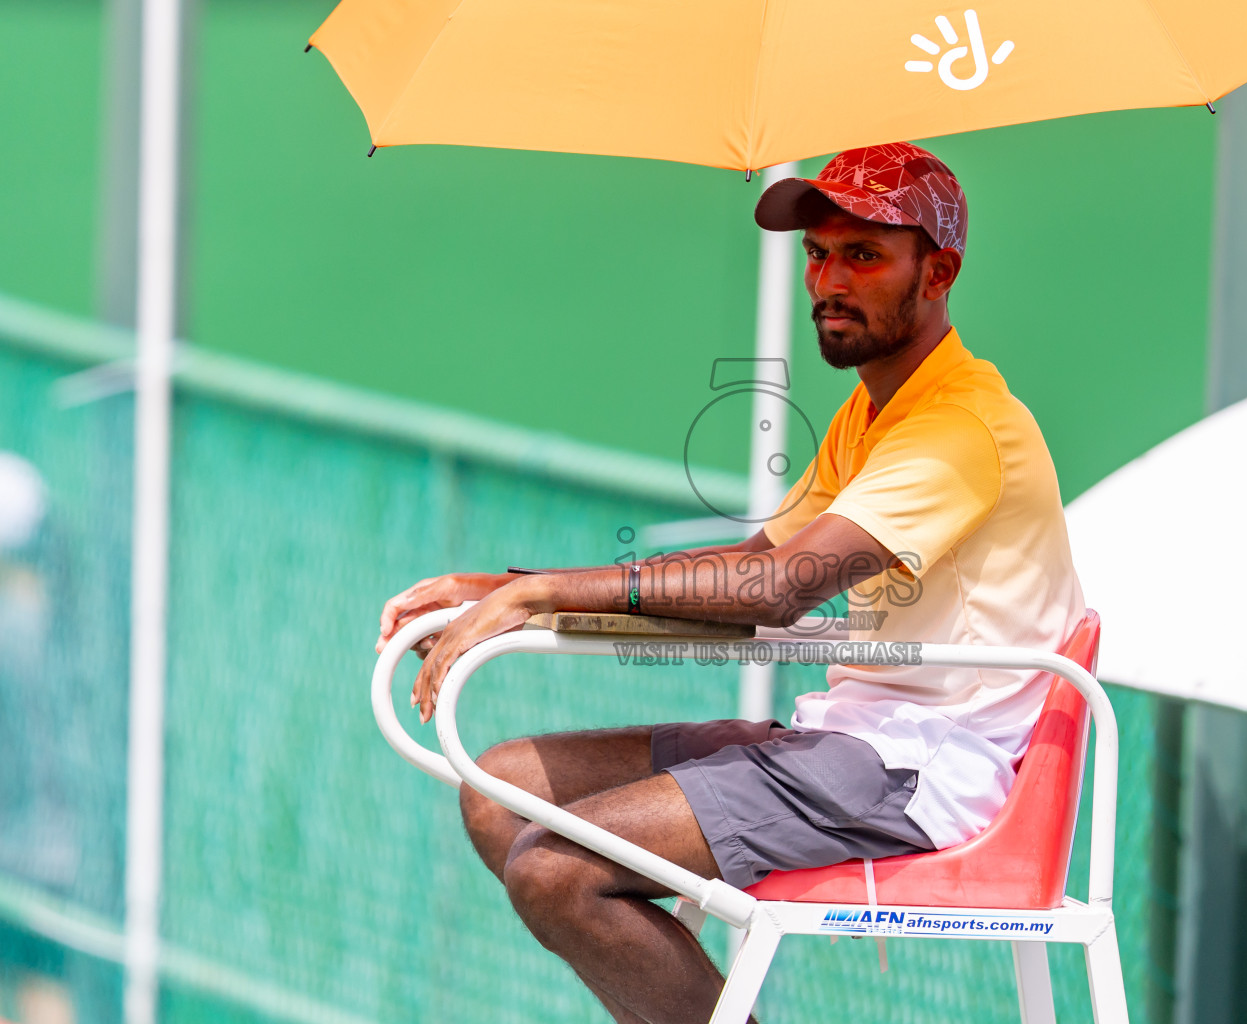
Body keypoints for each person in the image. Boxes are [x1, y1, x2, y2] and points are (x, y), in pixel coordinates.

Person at [376, 142, 1084, 1023]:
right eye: (817, 254)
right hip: (858, 743)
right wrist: (508, 583)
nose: (829, 279)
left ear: (938, 272)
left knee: (556, 868)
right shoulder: (876, 412)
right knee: (498, 794)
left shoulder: (960, 426)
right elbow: (749, 568)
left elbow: (778, 591)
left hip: (922, 772)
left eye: (863, 255)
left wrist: (538, 596)